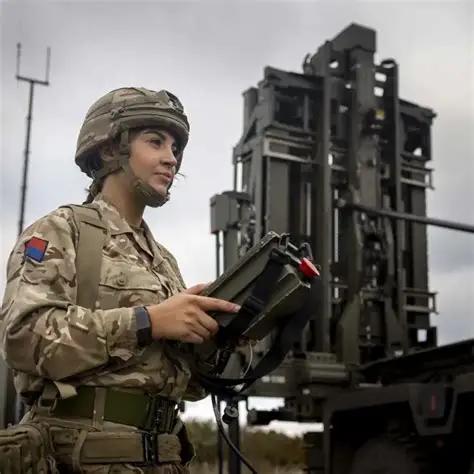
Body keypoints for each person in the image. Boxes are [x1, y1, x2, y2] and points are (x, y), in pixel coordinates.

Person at [0, 87, 239, 473]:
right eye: (155, 142)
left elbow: (187, 386)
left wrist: (218, 337)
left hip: (163, 457)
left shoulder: (164, 262)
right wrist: (146, 322)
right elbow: (23, 338)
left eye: (176, 148)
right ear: (112, 149)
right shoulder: (61, 230)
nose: (171, 158)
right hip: (83, 457)